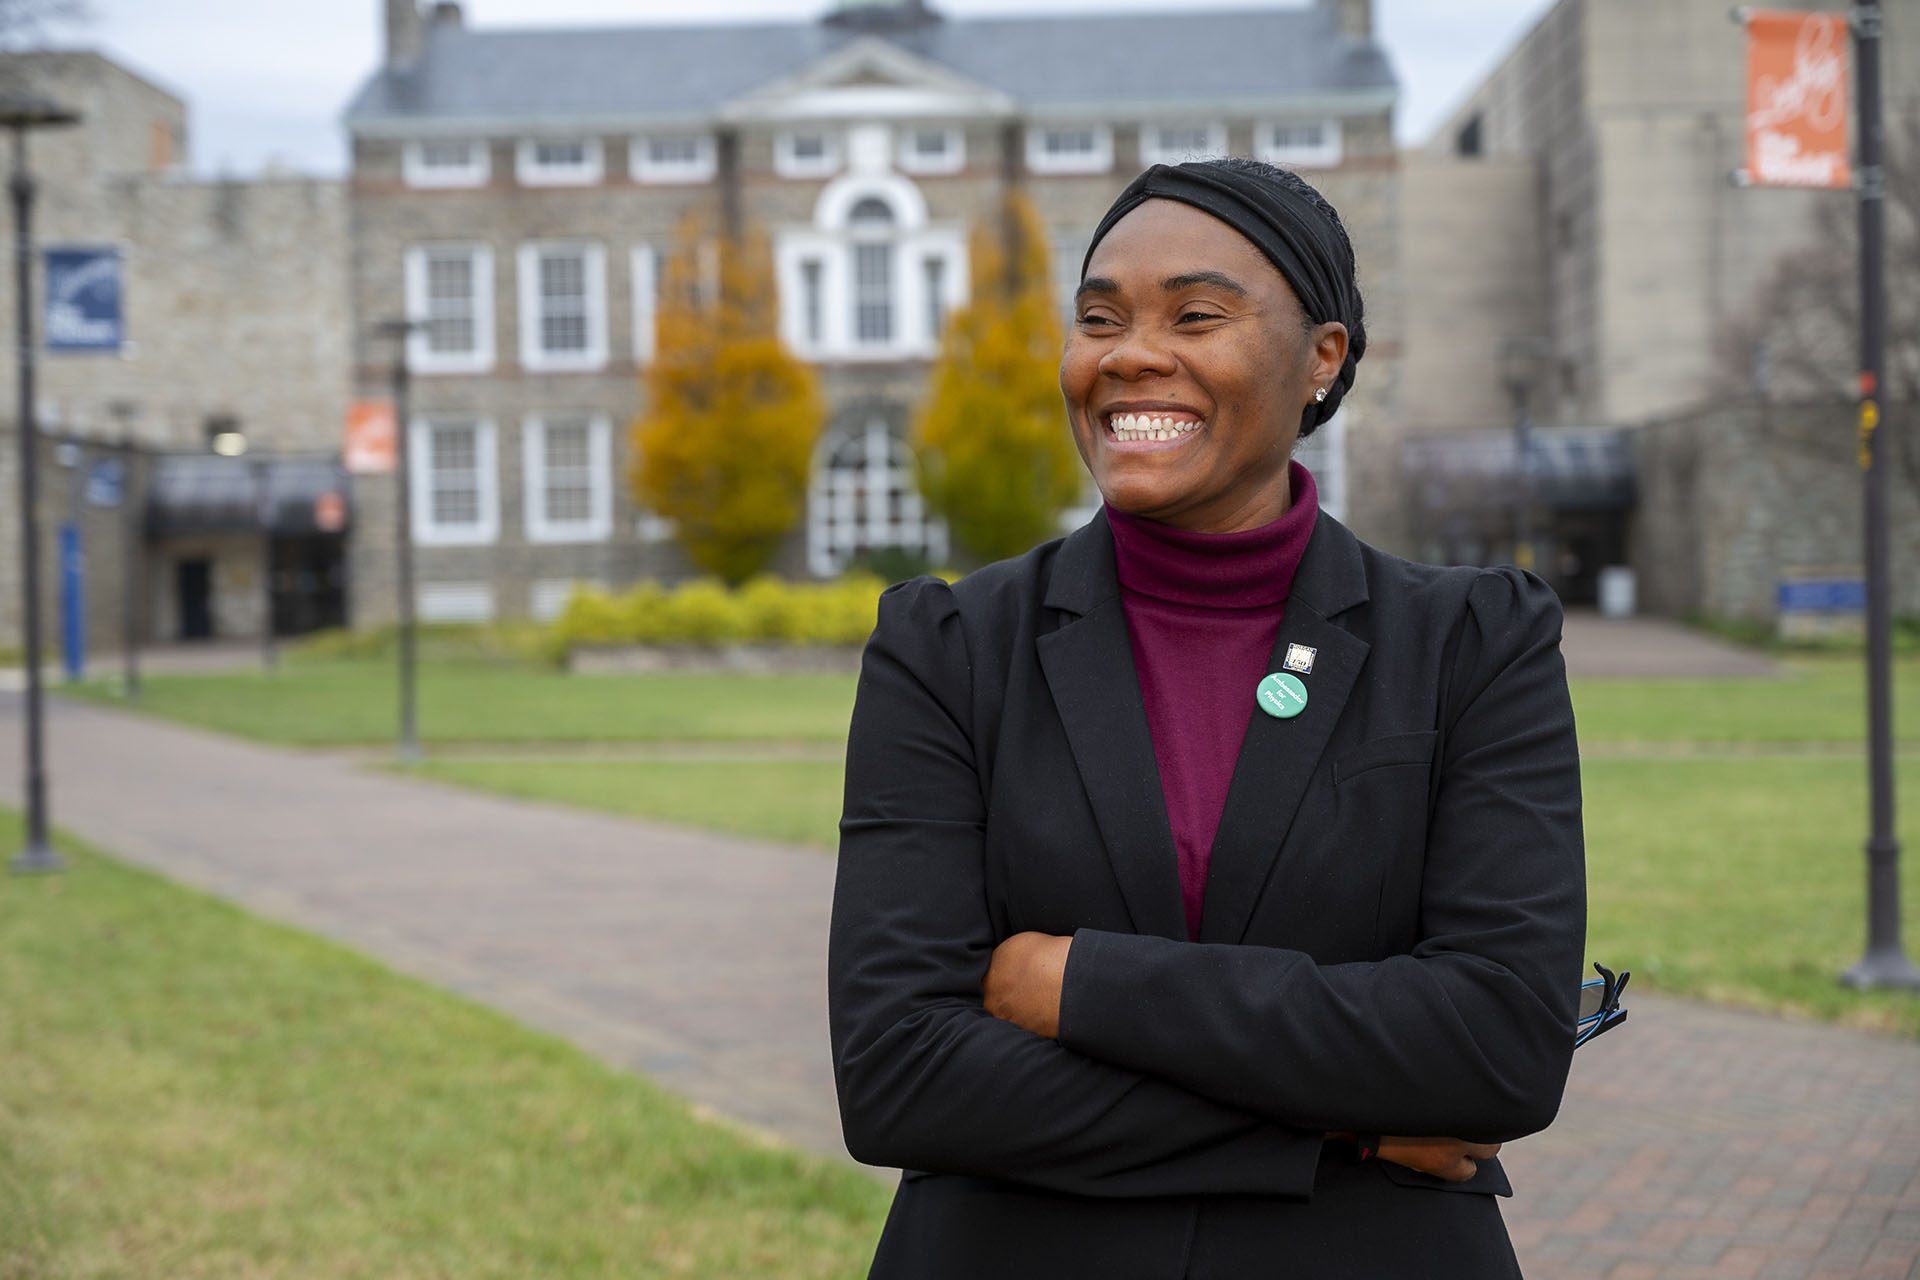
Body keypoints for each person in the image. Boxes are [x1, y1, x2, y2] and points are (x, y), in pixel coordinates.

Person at [828, 156, 1585, 1279]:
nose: (1130, 353)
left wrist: (1077, 983)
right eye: (1099, 318)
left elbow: (1499, 1046)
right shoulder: (951, 648)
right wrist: (1355, 1123)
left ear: (1322, 358)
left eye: (1195, 314)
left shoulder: (1470, 643)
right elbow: (899, 1073)